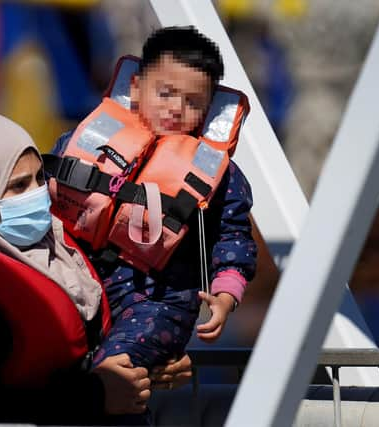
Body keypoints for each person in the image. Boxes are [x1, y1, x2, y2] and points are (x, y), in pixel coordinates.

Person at [0, 109, 191, 424]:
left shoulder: (56, 245)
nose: (38, 194)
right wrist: (96, 395)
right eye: (18, 187)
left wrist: (148, 359)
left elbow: (90, 342)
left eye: (40, 178)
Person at [51, 26, 257, 383]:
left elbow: (234, 238)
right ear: (135, 87)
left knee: (114, 375)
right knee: (70, 377)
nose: (176, 109)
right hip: (78, 284)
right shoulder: (87, 140)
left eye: (193, 102)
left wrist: (225, 296)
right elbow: (41, 194)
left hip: (158, 303)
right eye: (165, 93)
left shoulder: (221, 175)